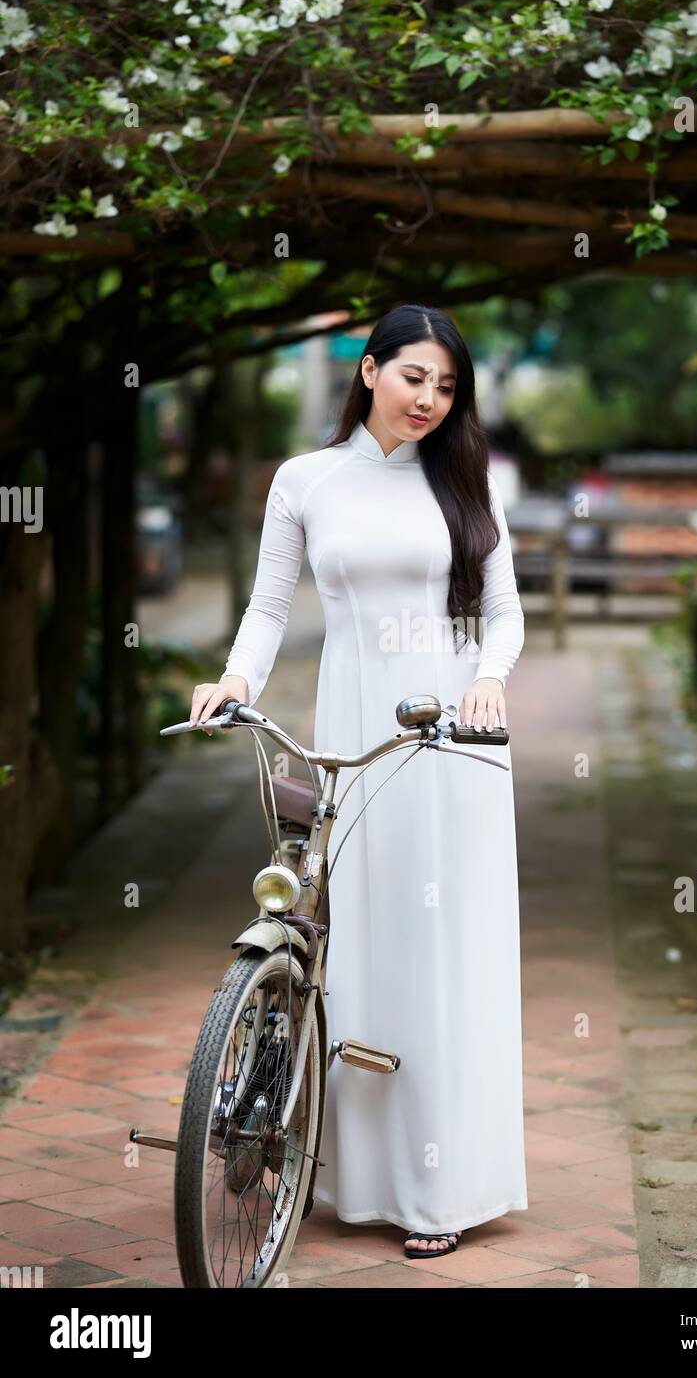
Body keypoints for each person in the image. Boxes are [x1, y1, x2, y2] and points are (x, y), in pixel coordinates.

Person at [190, 303, 528, 1260]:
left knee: (441, 956)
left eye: (448, 387)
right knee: (359, 944)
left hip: (452, 738)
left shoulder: (468, 482)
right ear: (370, 369)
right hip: (351, 729)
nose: (430, 400)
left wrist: (490, 682)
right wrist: (236, 679)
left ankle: (443, 1189)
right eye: (415, 377)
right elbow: (268, 606)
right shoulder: (307, 481)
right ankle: (355, 1177)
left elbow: (501, 614)